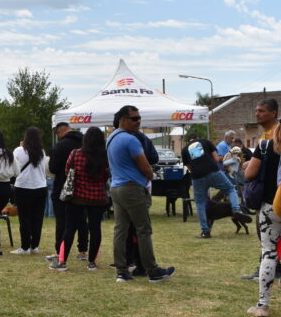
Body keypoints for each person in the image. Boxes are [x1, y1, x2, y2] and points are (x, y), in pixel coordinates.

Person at [108, 105, 175, 282]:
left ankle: (121, 271)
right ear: (123, 119)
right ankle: (153, 271)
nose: (138, 122)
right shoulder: (131, 140)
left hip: (116, 187)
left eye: (139, 118)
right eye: (134, 118)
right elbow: (145, 166)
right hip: (132, 189)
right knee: (143, 230)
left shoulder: (111, 138)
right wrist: (151, 176)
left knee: (120, 230)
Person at [49, 127, 108, 271]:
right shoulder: (105, 157)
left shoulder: (76, 154)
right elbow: (106, 176)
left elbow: (67, 172)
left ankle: (62, 261)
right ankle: (92, 262)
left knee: (69, 229)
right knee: (95, 229)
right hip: (98, 198)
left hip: (77, 198)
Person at [181, 135, 250, 238]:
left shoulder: (184, 150)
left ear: (188, 141)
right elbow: (216, 159)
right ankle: (236, 210)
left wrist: (198, 171)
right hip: (212, 171)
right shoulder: (205, 141)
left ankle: (205, 232)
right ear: (197, 139)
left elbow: (189, 167)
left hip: (197, 176)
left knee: (200, 203)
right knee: (230, 189)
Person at [242, 98, 281, 280]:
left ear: (274, 113)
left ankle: (268, 269)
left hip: (271, 195)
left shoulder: (275, 135)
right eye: (256, 110)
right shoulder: (265, 135)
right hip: (272, 192)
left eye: (262, 111)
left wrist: (250, 165)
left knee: (267, 237)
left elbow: (250, 174)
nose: (257, 114)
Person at [245, 124, 281, 317]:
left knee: (269, 252)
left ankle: (262, 305)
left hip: (271, 206)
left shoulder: (265, 146)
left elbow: (249, 174)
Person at [48, 123, 86, 261]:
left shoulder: (60, 146)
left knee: (62, 221)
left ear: (59, 133)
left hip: (62, 186)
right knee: (82, 220)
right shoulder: (85, 142)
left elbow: (52, 168)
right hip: (83, 187)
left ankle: (60, 251)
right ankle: (83, 250)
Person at [12, 127, 48, 255]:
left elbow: (13, 167)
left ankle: (25, 247)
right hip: (40, 186)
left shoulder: (19, 150)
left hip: (23, 186)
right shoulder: (42, 152)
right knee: (37, 218)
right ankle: (34, 246)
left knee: (24, 218)